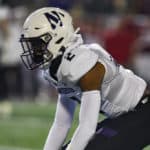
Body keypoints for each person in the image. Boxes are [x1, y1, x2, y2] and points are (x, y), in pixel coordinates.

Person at [19, 7, 150, 150]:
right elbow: (61, 124)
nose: (34, 51)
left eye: (38, 44)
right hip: (125, 115)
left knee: (97, 147)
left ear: (58, 37)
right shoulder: (58, 68)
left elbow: (87, 126)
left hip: (144, 111)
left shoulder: (83, 63)